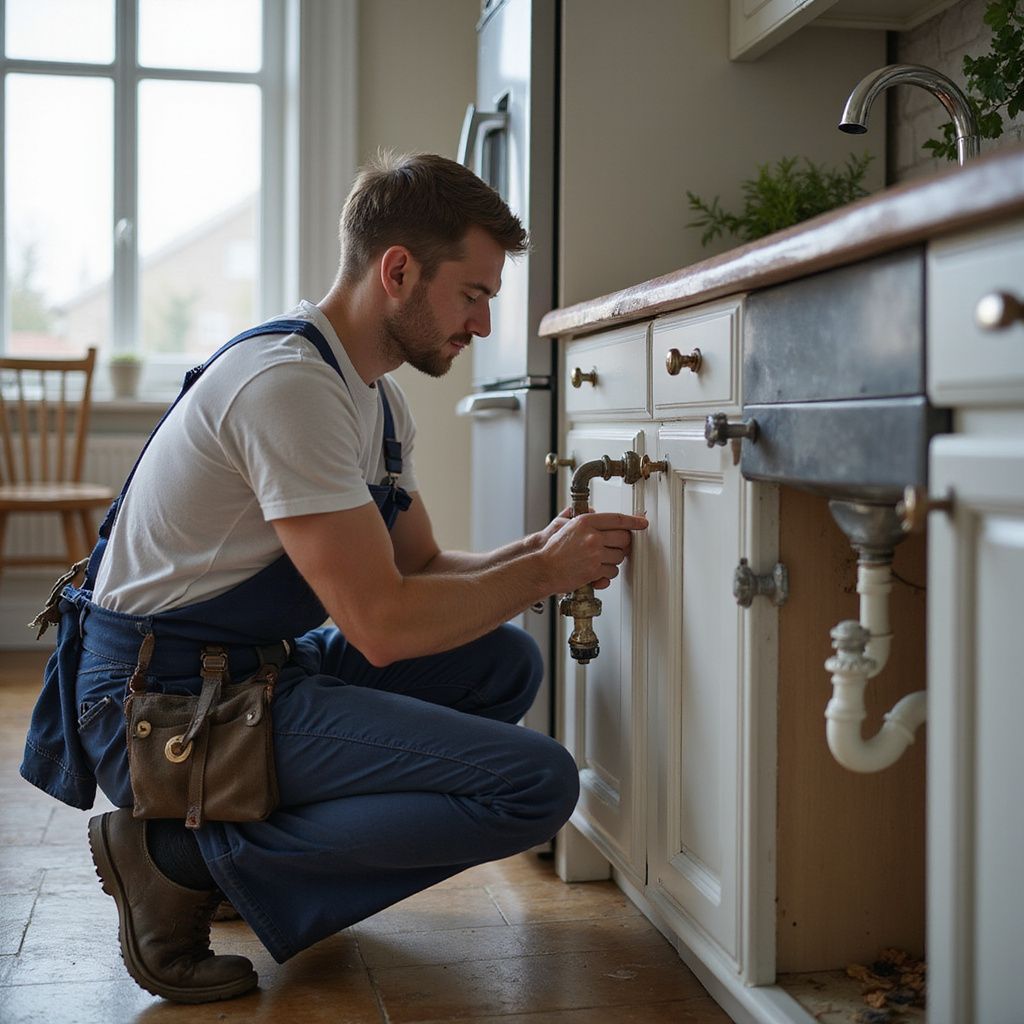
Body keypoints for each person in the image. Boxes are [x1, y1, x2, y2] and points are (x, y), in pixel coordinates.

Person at [20, 152, 648, 1004]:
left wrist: (538, 551)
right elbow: (382, 626)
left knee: (502, 665)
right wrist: (544, 571)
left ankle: (240, 853)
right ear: (398, 270)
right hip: (158, 706)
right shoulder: (288, 385)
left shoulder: (375, 397)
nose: (484, 324)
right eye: (474, 294)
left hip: (247, 671)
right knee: (536, 784)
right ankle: (179, 859)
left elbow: (420, 568)